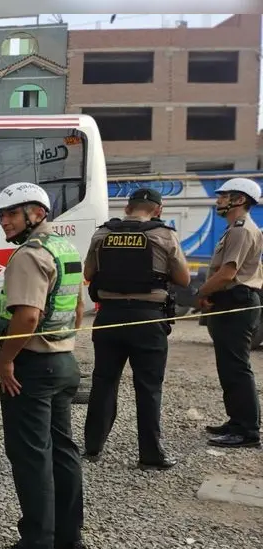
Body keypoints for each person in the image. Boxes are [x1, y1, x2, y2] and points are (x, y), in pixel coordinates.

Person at [0, 182, 87, 549]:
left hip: (33, 368)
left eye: (11, 213)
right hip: (63, 363)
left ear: (37, 214)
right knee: (63, 450)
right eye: (2, 215)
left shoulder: (28, 256)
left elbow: (26, 317)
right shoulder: (65, 248)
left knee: (31, 458)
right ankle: (68, 538)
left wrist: (6, 361)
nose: (4, 221)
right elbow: (76, 309)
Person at [81, 187, 191, 470]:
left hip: (110, 318)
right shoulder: (164, 234)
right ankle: (150, 455)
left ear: (128, 208)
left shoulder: (103, 233)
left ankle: (92, 447)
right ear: (159, 209)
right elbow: (183, 278)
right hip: (148, 319)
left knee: (104, 382)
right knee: (149, 387)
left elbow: (88, 274)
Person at [195, 177, 263, 449]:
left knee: (236, 368)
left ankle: (247, 430)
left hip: (237, 301)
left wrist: (202, 292)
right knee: (230, 366)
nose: (219, 200)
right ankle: (237, 421)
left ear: (240, 200)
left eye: (224, 196)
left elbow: (228, 273)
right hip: (231, 302)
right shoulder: (235, 229)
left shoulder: (240, 229)